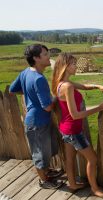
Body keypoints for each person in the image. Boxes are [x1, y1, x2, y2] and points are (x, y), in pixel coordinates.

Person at [51, 53, 103, 198]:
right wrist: (99, 107)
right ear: (65, 66)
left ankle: (72, 184)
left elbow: (84, 86)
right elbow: (76, 115)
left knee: (70, 158)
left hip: (65, 129)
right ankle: (95, 189)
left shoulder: (61, 83)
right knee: (92, 159)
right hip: (73, 131)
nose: (76, 66)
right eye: (73, 63)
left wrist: (98, 86)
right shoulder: (68, 87)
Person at [9, 44, 64, 189]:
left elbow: (13, 90)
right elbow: (47, 107)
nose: (48, 57)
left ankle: (46, 172)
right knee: (40, 153)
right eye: (45, 54)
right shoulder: (39, 79)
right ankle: (43, 181)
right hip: (37, 122)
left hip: (38, 121)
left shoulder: (26, 72)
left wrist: (30, 95)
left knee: (46, 151)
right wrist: (56, 98)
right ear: (36, 58)